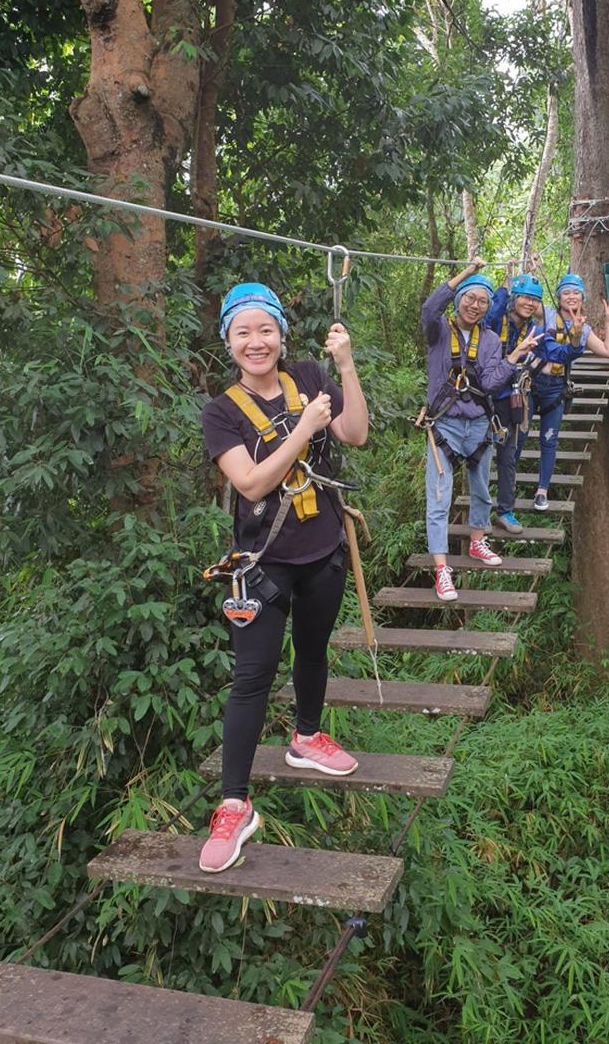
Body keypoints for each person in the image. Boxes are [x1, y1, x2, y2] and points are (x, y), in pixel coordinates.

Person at [198, 282, 369, 873]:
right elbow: (250, 483)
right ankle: (234, 804)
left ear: (280, 334)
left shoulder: (308, 375)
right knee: (251, 678)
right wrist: (302, 428)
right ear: (229, 342)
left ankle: (306, 736)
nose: (255, 342)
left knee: (314, 651)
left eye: (264, 330)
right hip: (262, 565)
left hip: (321, 549)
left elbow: (354, 434)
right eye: (242, 333)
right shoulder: (222, 412)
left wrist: (344, 367)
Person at [421, 259, 538, 601]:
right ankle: (442, 570)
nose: (475, 306)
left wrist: (515, 353)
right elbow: (430, 307)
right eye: (469, 299)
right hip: (444, 424)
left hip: (478, 423)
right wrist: (467, 274)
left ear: (489, 306)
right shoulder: (439, 330)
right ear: (458, 301)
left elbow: (488, 382)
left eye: (482, 301)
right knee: (439, 498)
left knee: (481, 491)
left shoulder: (489, 339)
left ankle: (476, 542)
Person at [520, 273, 609, 511]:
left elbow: (608, 352)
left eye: (576, 293)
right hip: (531, 383)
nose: (571, 297)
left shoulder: (583, 330)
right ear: (559, 297)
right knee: (519, 436)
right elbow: (528, 303)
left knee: (549, 440)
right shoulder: (547, 314)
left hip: (555, 388)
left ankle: (542, 491)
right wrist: (532, 270)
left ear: (582, 297)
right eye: (566, 293)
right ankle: (506, 488)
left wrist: (608, 323)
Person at [482, 273, 544, 534]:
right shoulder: (498, 318)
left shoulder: (531, 328)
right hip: (483, 397)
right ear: (515, 298)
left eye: (534, 300)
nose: (529, 304)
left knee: (508, 457)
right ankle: (480, 514)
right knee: (479, 456)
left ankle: (505, 510)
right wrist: (503, 288)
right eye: (525, 298)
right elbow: (490, 311)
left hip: (511, 398)